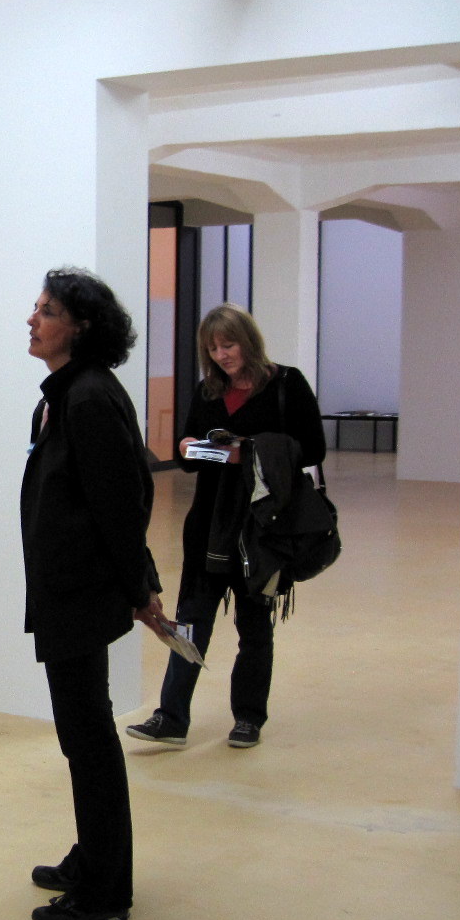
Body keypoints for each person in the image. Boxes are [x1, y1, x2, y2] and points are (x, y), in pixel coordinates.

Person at [21, 267, 165, 920]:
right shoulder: (65, 395)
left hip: (81, 591)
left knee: (89, 738)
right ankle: (94, 856)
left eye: (47, 311)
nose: (32, 320)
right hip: (65, 588)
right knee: (82, 737)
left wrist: (140, 588)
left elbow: (123, 503)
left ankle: (106, 891)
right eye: (37, 308)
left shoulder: (88, 399)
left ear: (80, 328)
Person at [125, 303, 326, 750]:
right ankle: (171, 717)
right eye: (213, 349)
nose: (222, 355)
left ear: (248, 341)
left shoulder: (287, 384)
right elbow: (189, 459)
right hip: (209, 524)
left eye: (229, 345)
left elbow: (313, 448)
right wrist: (186, 446)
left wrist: (249, 452)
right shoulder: (208, 390)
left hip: (262, 527)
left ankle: (249, 718)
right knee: (191, 620)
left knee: (254, 626)